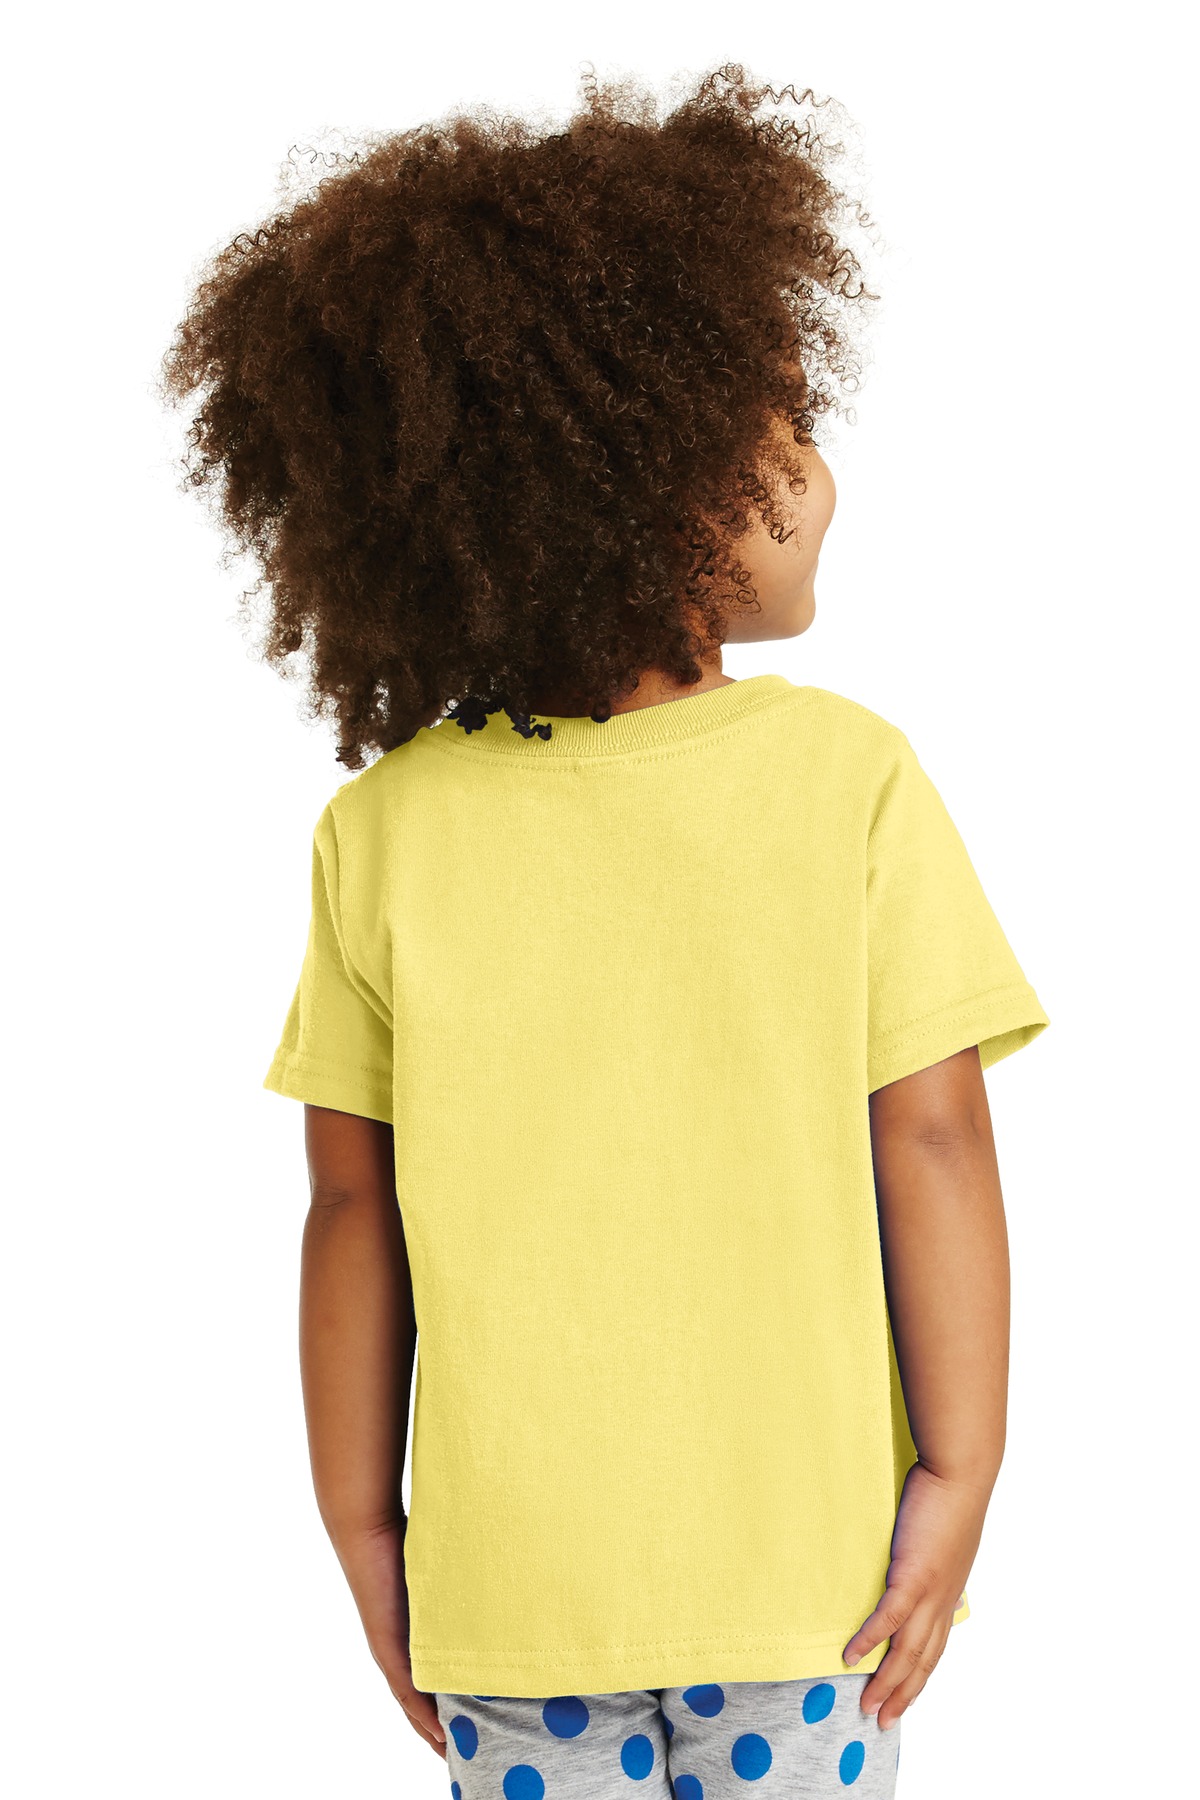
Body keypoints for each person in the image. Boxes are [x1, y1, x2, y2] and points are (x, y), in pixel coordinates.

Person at [162, 63, 1050, 1799]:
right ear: (652, 479)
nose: (819, 480)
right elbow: (935, 1141)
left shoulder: (387, 830)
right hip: (812, 1588)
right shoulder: (848, 782)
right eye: (781, 431)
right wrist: (961, 1469)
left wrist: (363, 1525)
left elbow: (349, 1208)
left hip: (512, 1602)